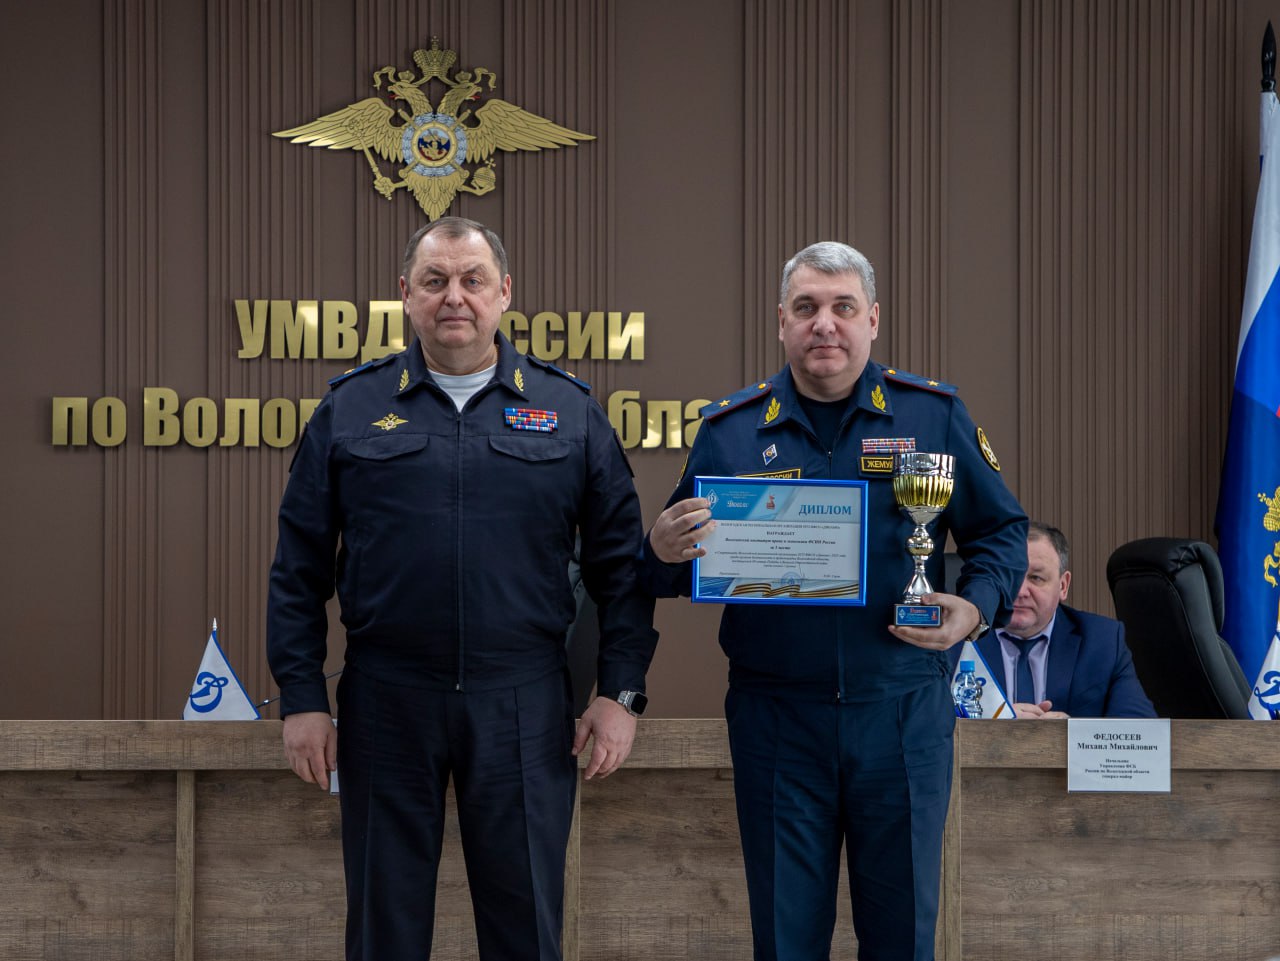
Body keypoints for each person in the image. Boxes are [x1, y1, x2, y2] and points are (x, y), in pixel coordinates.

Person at [266, 216, 658, 961]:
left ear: (503, 292)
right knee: (383, 930)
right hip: (386, 700)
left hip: (523, 703)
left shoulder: (570, 411)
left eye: (472, 280)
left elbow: (622, 570)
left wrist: (620, 691)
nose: (455, 297)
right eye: (435, 280)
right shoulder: (349, 409)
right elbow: (298, 567)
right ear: (405, 294)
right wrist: (303, 697)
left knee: (526, 929)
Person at [640, 241, 1027, 961]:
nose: (825, 323)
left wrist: (975, 609)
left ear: (872, 319)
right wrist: (659, 549)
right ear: (781, 321)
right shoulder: (729, 431)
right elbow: (671, 566)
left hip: (902, 713)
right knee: (785, 939)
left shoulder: (932, 415)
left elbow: (1002, 533)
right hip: (777, 721)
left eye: (843, 307)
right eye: (807, 307)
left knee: (904, 936)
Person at [954, 521, 1156, 718]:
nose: (1020, 591)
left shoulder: (1103, 641)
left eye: (1036, 578)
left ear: (1063, 586)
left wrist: (1071, 733)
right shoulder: (954, 639)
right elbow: (935, 721)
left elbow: (1141, 729)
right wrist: (995, 720)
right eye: (1011, 577)